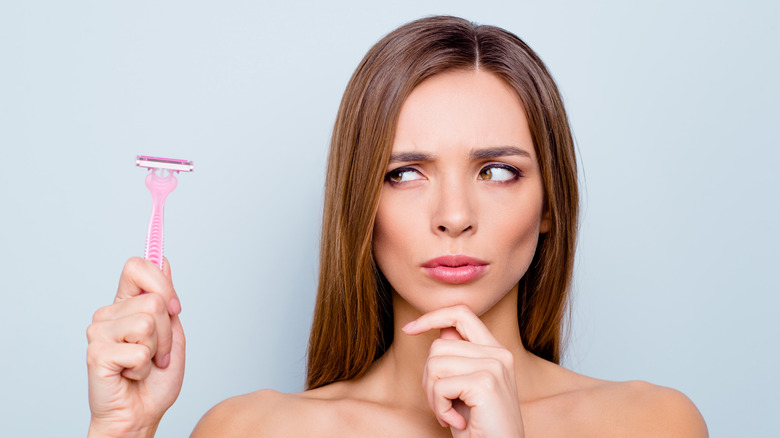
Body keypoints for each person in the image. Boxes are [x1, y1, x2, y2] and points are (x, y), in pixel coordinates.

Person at [86, 15, 708, 437]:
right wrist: (123, 431)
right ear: (362, 205)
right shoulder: (252, 429)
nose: (455, 217)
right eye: (406, 174)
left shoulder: (651, 421)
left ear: (550, 206)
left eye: (496, 172)